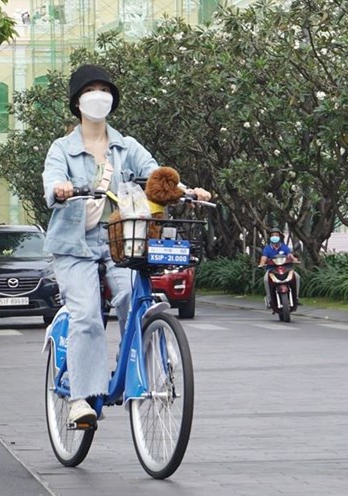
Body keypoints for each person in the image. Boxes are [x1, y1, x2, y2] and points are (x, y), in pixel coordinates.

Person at [42, 64, 210, 425]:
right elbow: (52, 182)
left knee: (136, 303)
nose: (98, 95)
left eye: (105, 89)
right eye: (91, 89)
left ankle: (137, 375)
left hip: (122, 241)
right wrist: (61, 188)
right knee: (87, 314)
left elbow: (155, 175)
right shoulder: (62, 149)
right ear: (77, 101)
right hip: (74, 245)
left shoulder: (126, 146)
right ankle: (80, 398)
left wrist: (186, 191)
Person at [258, 228, 300, 307]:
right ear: (270, 237)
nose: (274, 237)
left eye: (276, 235)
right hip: (271, 270)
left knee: (297, 277)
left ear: (280, 237)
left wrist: (294, 259)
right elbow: (263, 258)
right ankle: (270, 299)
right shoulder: (267, 248)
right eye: (273, 235)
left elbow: (289, 255)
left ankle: (296, 298)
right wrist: (262, 263)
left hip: (286, 269)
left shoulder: (284, 247)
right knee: (266, 279)